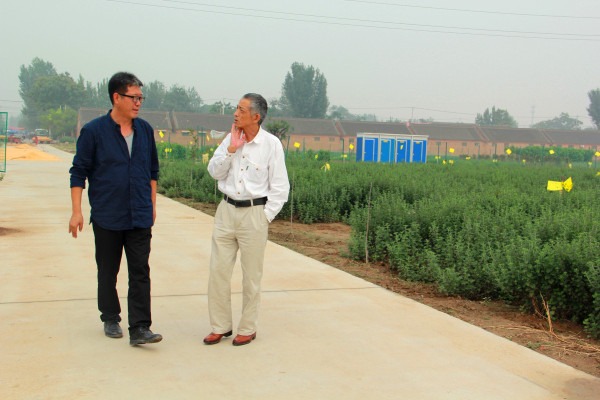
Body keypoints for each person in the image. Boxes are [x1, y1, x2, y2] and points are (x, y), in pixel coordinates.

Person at [68, 72, 162, 346]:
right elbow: (78, 172)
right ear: (116, 97)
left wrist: (152, 205)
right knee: (108, 270)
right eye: (134, 98)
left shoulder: (145, 130)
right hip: (108, 214)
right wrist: (76, 211)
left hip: (140, 214)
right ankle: (110, 316)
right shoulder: (94, 131)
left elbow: (152, 171)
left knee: (140, 271)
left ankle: (140, 327)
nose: (138, 103)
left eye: (141, 98)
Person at [204, 93, 290, 346]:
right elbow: (214, 172)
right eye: (236, 109)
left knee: (251, 276)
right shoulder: (230, 139)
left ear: (256, 116)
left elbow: (280, 187)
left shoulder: (271, 145)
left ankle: (248, 327)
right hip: (226, 211)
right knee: (218, 272)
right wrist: (232, 149)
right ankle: (220, 326)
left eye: (241, 110)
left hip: (254, 214)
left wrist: (265, 217)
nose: (235, 114)